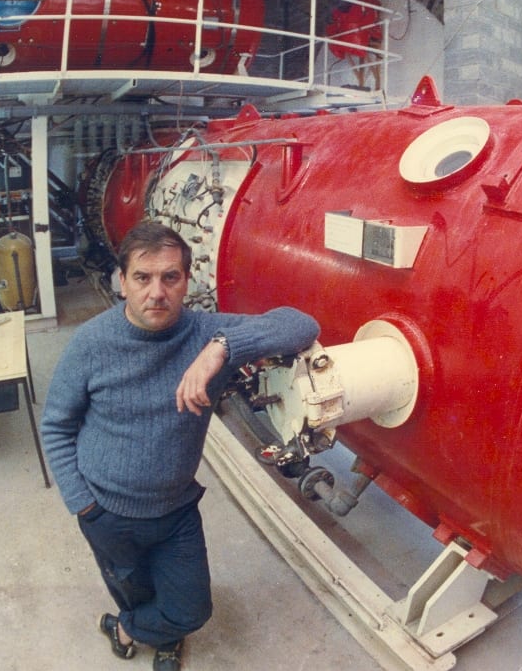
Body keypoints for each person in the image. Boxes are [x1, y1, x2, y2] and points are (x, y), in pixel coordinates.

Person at [40, 220, 320, 671]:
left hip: (175, 511)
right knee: (133, 587)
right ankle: (162, 638)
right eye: (142, 278)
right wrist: (82, 504)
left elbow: (301, 324)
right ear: (121, 282)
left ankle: (127, 629)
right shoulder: (91, 343)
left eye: (170, 277)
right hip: (106, 512)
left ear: (187, 280)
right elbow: (55, 427)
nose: (157, 292)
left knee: (193, 608)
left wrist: (220, 349)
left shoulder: (208, 334)